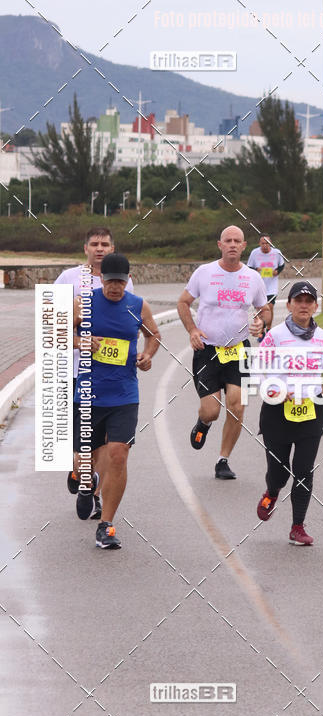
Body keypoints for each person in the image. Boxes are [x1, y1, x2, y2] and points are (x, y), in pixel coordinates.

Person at [73, 253, 160, 549]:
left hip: (124, 394)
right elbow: (57, 331)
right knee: (85, 458)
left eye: (120, 283)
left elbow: (153, 335)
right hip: (88, 392)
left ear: (126, 281)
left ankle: (106, 525)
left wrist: (147, 355)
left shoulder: (137, 305)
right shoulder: (84, 302)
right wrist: (80, 341)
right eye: (110, 282)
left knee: (118, 454)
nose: (115, 288)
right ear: (101, 279)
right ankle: (87, 486)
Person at [177, 225, 271, 480]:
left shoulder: (253, 277)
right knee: (211, 410)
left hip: (238, 350)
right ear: (220, 245)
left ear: (243, 246)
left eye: (237, 241)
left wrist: (262, 322)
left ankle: (223, 460)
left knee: (237, 406)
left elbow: (265, 309)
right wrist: (192, 329)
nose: (232, 244)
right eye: (227, 240)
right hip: (207, 351)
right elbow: (183, 302)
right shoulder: (204, 273)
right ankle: (203, 423)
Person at [55, 227, 134, 520]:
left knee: (102, 441)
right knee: (81, 442)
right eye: (94, 244)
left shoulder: (126, 280)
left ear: (112, 248)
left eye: (105, 244)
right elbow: (53, 324)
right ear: (85, 247)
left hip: (108, 376)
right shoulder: (68, 278)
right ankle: (81, 471)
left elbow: (130, 322)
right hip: (76, 370)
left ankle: (93, 491)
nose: (100, 249)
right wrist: (79, 342)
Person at [255, 281, 323, 546]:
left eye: (309, 301)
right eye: (298, 301)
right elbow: (259, 370)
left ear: (315, 306)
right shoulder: (275, 336)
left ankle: (297, 527)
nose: (304, 306)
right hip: (277, 412)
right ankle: (271, 492)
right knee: (280, 473)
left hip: (312, 411)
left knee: (304, 470)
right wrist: (278, 391)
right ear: (289, 305)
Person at [247, 235, 285, 340]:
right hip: (258, 286)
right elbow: (249, 267)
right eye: (263, 243)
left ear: (270, 243)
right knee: (260, 310)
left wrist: (277, 271)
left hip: (272, 286)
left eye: (267, 243)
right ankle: (261, 332)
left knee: (270, 307)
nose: (265, 245)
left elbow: (282, 265)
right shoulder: (254, 253)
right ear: (259, 244)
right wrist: (256, 270)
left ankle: (268, 329)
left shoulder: (277, 253)